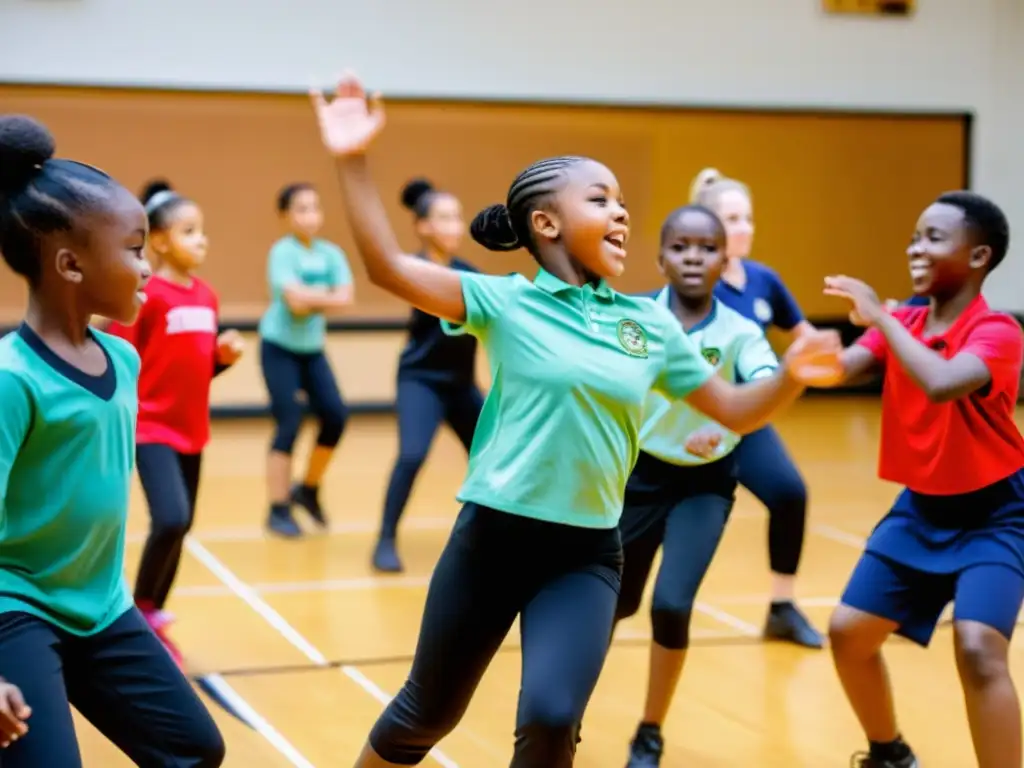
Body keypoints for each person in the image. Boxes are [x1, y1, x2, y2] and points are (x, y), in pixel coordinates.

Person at [307, 73, 842, 768]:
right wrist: (352, 158)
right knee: (426, 713)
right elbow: (384, 265)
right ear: (546, 223)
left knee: (554, 721)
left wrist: (793, 377)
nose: (621, 214)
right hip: (491, 543)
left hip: (587, 553)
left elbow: (736, 407)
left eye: (622, 202)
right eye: (601, 200)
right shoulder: (504, 303)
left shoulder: (648, 324)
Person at [0, 115, 224, 766]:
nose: (147, 269)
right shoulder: (13, 381)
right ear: (69, 263)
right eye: (133, 250)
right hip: (16, 607)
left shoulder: (123, 362)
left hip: (100, 605)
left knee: (193, 748)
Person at [811, 191, 1021, 768]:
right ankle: (889, 753)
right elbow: (847, 367)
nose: (915, 248)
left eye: (932, 237)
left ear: (978, 257)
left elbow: (943, 381)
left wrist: (878, 315)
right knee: (850, 634)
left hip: (997, 515)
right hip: (922, 509)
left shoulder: (999, 332)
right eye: (914, 236)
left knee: (979, 650)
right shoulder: (902, 321)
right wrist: (807, 355)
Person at [611, 204, 784, 767]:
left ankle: (650, 729)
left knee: (671, 605)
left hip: (704, 486)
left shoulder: (741, 332)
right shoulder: (630, 318)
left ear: (724, 258)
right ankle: (565, 714)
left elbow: (763, 386)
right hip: (636, 479)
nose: (692, 256)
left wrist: (726, 424)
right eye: (680, 246)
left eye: (706, 247)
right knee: (610, 605)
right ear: (660, 258)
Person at [106, 180, 244, 667]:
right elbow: (120, 357)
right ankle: (141, 611)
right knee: (171, 517)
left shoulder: (206, 297)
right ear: (159, 241)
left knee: (181, 526)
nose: (201, 240)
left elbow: (200, 368)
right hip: (150, 428)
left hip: (192, 431)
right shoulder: (148, 295)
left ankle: (153, 611)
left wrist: (223, 358)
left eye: (202, 232)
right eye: (189, 231)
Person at [691, 167, 823, 648]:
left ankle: (782, 608)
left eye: (747, 217)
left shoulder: (764, 280)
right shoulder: (694, 283)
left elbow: (806, 339)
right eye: (731, 218)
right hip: (692, 422)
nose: (743, 227)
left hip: (747, 421)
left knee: (790, 493)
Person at [373, 178, 483, 573]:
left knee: (494, 457)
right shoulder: (413, 270)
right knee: (413, 454)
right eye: (444, 218)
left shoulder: (470, 273)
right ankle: (385, 538)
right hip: (421, 380)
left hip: (461, 385)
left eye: (457, 218)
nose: (455, 226)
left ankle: (492, 537)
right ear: (422, 227)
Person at [259, 182, 354, 537]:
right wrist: (325, 295)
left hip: (312, 350)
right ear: (285, 216)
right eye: (301, 209)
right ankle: (278, 507)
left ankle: (308, 490)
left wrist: (311, 295)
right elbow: (295, 304)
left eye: (315, 207)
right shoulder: (282, 253)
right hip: (278, 348)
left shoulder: (331, 254)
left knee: (335, 417)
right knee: (289, 421)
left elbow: (346, 299)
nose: (310, 216)